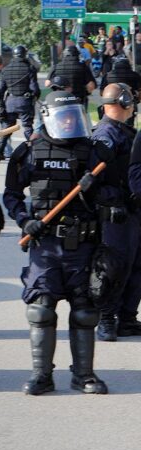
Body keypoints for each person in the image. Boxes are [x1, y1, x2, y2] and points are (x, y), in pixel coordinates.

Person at [3, 92, 107, 395]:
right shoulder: (30, 152)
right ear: (48, 118)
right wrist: (24, 220)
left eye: (75, 116)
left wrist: (93, 190)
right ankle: (41, 376)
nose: (70, 121)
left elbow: (115, 198)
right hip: (46, 244)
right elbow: (11, 194)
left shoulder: (95, 153)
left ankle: (84, 375)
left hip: (84, 243)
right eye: (64, 117)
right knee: (41, 310)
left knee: (85, 311)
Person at [90, 84, 140, 341]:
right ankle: (107, 318)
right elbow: (97, 176)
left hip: (132, 208)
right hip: (114, 211)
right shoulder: (106, 133)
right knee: (114, 266)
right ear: (122, 102)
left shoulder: (124, 131)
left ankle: (128, 318)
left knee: (136, 264)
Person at [0, 44, 41, 144]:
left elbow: (0, 90)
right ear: (24, 55)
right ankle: (33, 151)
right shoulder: (30, 68)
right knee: (27, 127)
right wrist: (34, 97)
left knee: (7, 130)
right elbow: (34, 89)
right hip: (24, 102)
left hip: (10, 103)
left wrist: (0, 105)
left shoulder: (5, 69)